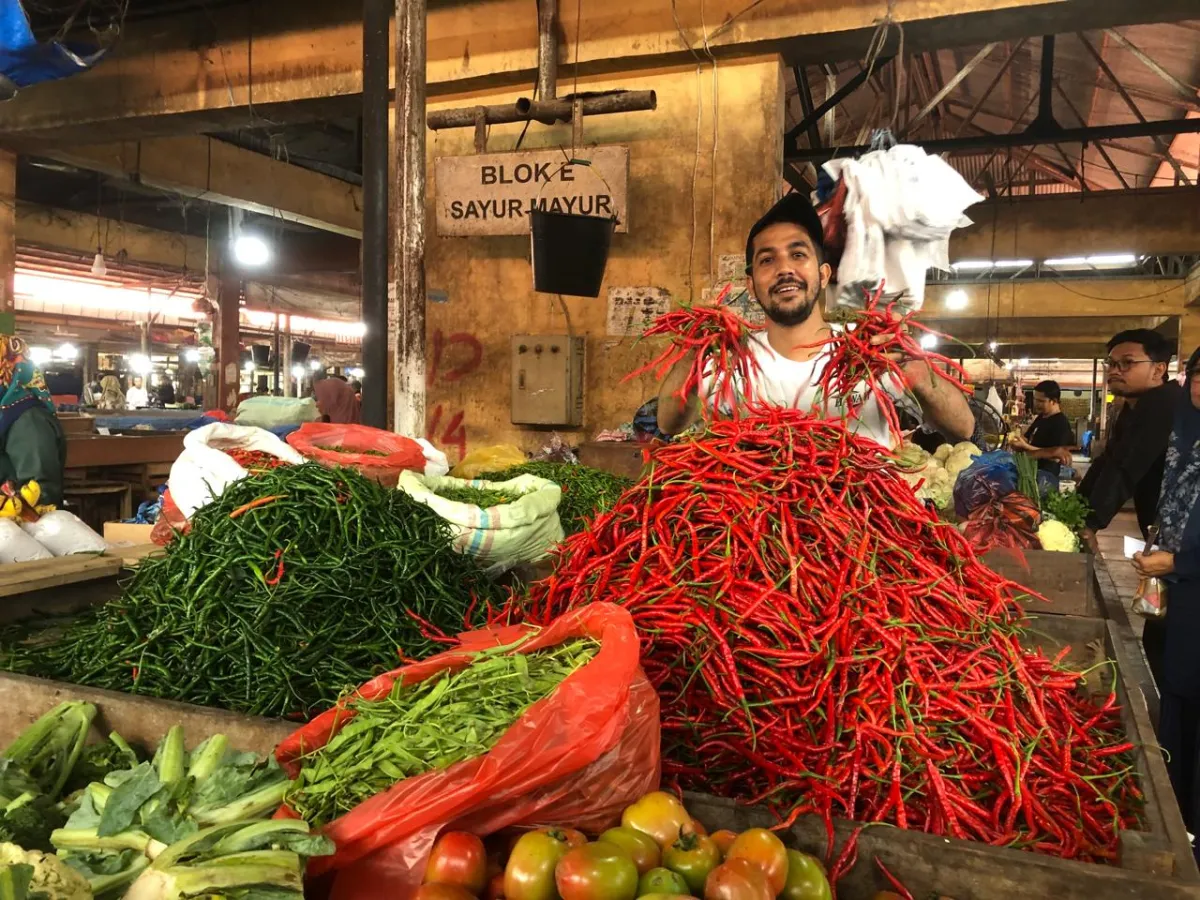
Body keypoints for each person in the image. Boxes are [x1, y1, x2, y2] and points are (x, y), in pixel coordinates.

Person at [656, 193, 975, 447]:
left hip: (859, 522)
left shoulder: (868, 348)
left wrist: (912, 366)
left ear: (823, 275)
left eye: (798, 254)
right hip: (755, 525)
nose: (784, 269)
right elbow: (668, 423)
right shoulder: (729, 357)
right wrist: (693, 353)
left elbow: (963, 427)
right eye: (767, 259)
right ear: (751, 286)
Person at [1132, 346, 1200, 855]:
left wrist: (1180, 564)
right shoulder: (1187, 444)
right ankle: (1180, 823)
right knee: (1175, 705)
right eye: (1198, 376)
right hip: (1181, 609)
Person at [0, 336, 67, 507]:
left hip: (24, 529)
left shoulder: (29, 421)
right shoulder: (6, 417)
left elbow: (40, 493)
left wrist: (10, 508)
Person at [1009, 380, 1075, 481]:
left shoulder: (1061, 423)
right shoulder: (1041, 417)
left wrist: (1025, 446)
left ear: (1053, 401)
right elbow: (1027, 438)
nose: (1036, 404)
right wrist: (1018, 442)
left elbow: (1056, 456)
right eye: (1035, 399)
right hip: (1029, 472)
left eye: (1041, 401)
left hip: (1045, 477)